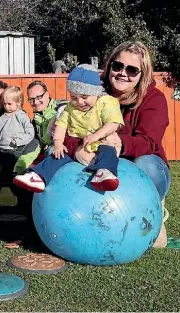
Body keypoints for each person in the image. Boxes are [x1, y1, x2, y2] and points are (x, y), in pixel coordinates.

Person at [101, 41, 171, 247]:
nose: (123, 73)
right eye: (117, 66)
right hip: (102, 162)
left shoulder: (153, 99)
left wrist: (119, 143)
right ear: (109, 66)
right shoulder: (94, 92)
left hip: (143, 165)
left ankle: (152, 211)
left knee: (146, 164)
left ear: (143, 74)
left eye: (132, 70)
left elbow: (149, 142)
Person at [14, 64, 124, 192]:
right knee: (57, 155)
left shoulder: (106, 102)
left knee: (108, 151)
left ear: (95, 92)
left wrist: (96, 136)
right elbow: (61, 125)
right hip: (77, 146)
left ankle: (104, 172)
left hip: (101, 142)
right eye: (74, 98)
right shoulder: (70, 107)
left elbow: (113, 123)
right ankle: (39, 177)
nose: (79, 102)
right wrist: (58, 143)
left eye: (84, 97)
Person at [0, 86, 36, 177]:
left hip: (15, 149)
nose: (6, 107)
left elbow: (30, 133)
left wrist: (18, 141)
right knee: (1, 171)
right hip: (2, 149)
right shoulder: (4, 116)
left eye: (9, 104)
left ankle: (14, 187)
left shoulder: (22, 116)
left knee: (13, 171)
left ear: (18, 102)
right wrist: (5, 116)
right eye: (4, 104)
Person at [26, 81, 68, 153]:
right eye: (31, 99)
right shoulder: (36, 119)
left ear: (47, 94)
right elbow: (35, 146)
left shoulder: (62, 108)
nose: (35, 102)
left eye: (39, 97)